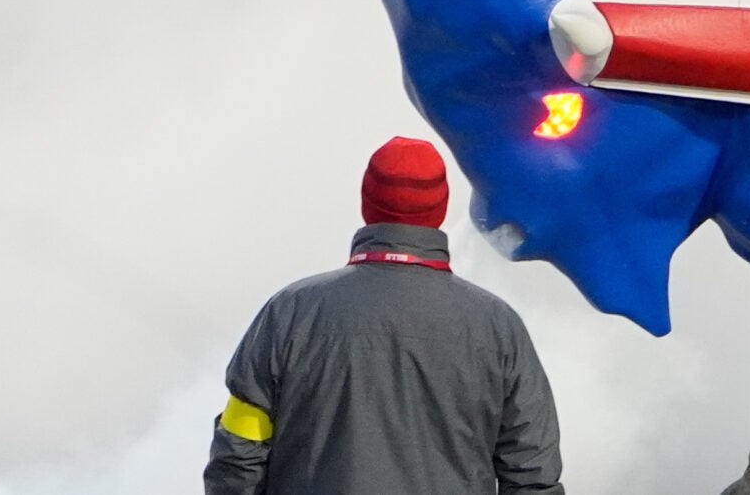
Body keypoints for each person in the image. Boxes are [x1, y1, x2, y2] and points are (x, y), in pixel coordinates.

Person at [204, 136, 565, 495]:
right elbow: (532, 476)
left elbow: (239, 456)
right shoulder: (498, 328)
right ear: (439, 211)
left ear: (368, 204)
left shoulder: (289, 313)